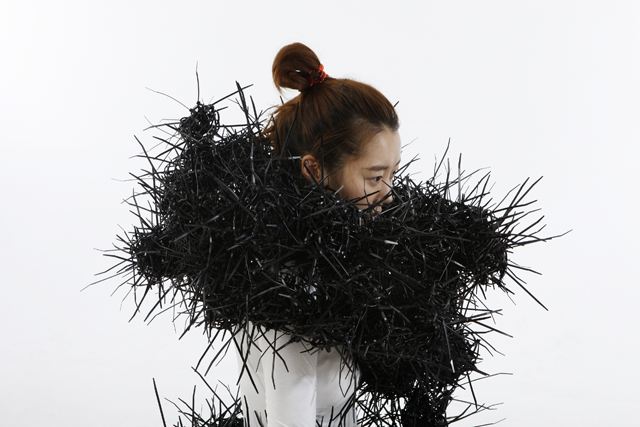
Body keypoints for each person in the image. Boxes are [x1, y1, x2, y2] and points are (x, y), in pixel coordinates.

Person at [234, 42, 401, 427]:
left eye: (393, 173)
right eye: (375, 177)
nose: (389, 194)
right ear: (313, 169)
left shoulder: (339, 266)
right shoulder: (289, 291)